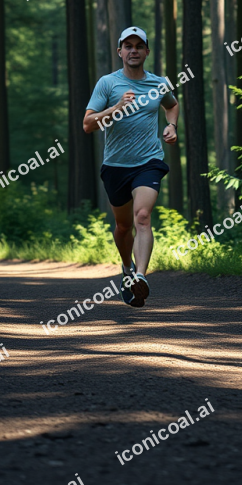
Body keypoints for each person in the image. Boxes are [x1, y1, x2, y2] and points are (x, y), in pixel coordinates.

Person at [83, 26, 178, 307]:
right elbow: (87, 124)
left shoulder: (159, 83)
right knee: (123, 227)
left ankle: (140, 276)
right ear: (120, 52)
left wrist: (172, 125)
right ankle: (127, 268)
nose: (133, 50)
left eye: (139, 46)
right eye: (128, 46)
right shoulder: (107, 84)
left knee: (143, 217)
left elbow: (172, 105)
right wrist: (116, 108)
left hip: (149, 162)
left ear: (147, 51)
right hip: (115, 166)